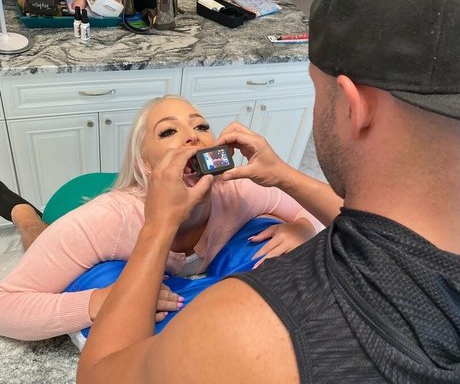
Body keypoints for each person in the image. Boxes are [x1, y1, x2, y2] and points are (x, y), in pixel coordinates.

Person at [73, 0, 460, 384]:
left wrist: (156, 228)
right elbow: (396, 233)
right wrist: (284, 175)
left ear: (353, 108)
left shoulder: (249, 338)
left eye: (318, 91)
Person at [0, 95, 330, 341]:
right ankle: (23, 212)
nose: (193, 136)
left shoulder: (238, 191)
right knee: (38, 236)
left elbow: (328, 212)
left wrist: (303, 228)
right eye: (168, 131)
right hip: (79, 216)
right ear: (145, 164)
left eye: (201, 126)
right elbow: (6, 306)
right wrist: (98, 301)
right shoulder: (106, 221)